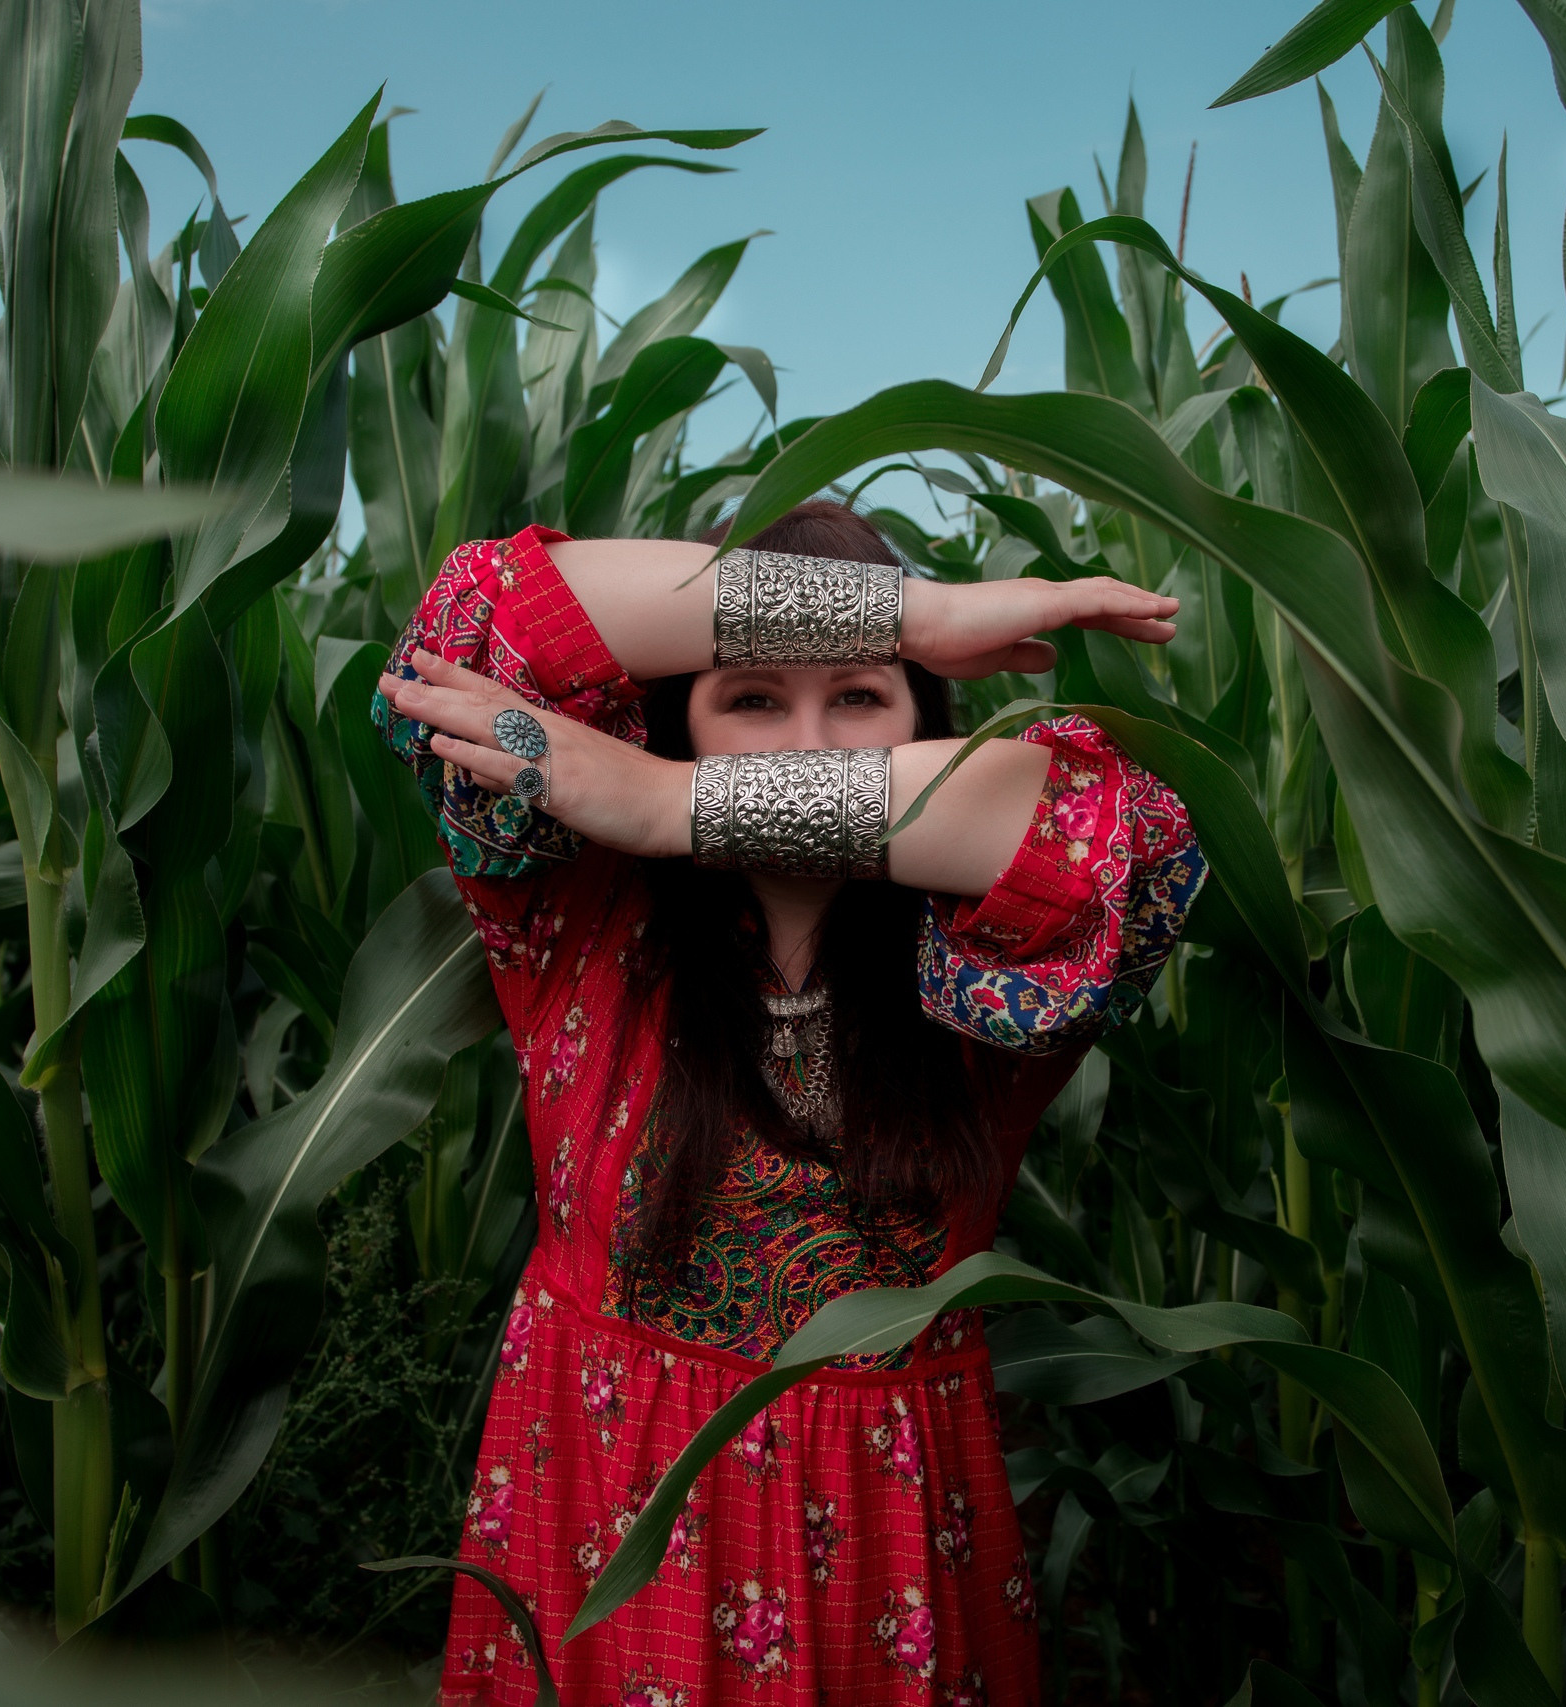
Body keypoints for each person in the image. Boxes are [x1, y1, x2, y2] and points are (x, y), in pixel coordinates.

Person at [372, 502, 1204, 1707]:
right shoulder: (575, 920)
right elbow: (476, 615)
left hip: (890, 1577)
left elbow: (1125, 830)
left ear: (924, 724)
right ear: (680, 717)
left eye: (859, 697)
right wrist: (914, 614)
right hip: (609, 1551)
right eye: (752, 699)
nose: (806, 745)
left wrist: (675, 804)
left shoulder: (987, 975)